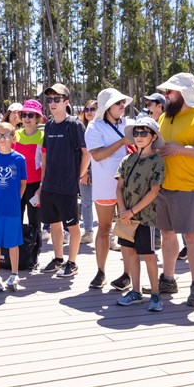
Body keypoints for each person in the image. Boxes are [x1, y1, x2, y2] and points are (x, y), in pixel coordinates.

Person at [153, 73, 194, 307]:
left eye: (170, 92)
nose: (166, 96)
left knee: (192, 237)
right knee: (168, 234)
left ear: (184, 93)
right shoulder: (164, 118)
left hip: (189, 187)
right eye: (166, 92)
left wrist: (179, 150)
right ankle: (168, 279)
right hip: (163, 186)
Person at [114, 117, 166, 312]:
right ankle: (135, 292)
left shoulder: (157, 161)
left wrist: (132, 211)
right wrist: (122, 211)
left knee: (148, 255)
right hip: (126, 218)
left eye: (144, 133)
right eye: (136, 133)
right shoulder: (127, 160)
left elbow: (154, 191)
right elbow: (119, 186)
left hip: (146, 218)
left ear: (153, 136)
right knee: (129, 253)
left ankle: (155, 294)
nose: (139, 136)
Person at [38, 82, 90, 278]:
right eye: (50, 99)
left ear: (66, 102)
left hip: (68, 185)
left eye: (57, 99)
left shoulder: (75, 124)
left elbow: (87, 154)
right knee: (53, 223)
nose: (52, 103)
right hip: (50, 184)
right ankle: (58, 259)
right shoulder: (49, 125)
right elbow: (45, 155)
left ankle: (72, 262)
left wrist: (78, 176)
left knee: (72, 225)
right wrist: (43, 182)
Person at [85, 88, 132, 290]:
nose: (122, 106)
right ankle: (101, 271)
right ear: (107, 107)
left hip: (128, 183)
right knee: (104, 229)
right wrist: (122, 141)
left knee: (126, 231)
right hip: (105, 184)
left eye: (123, 102)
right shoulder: (94, 127)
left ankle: (127, 275)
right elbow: (96, 155)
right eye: (118, 103)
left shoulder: (130, 123)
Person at [0, 121, 27, 291]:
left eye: (7, 135)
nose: (3, 138)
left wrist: (16, 199)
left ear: (13, 137)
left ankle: (14, 274)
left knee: (13, 243)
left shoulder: (19, 159)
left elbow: (22, 183)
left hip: (13, 208)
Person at [13, 100, 45, 238]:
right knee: (15, 218)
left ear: (37, 118)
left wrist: (41, 186)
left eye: (31, 115)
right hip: (16, 183)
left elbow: (45, 164)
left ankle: (34, 253)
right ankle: (15, 252)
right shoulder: (15, 134)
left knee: (34, 220)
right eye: (24, 114)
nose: (27, 118)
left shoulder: (42, 136)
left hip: (34, 184)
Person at [77, 100, 97, 238]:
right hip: (84, 172)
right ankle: (88, 230)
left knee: (108, 204)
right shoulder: (80, 128)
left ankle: (110, 235)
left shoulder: (103, 127)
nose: (89, 112)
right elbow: (80, 154)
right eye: (87, 109)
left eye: (93, 109)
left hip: (103, 172)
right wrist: (84, 173)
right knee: (86, 202)